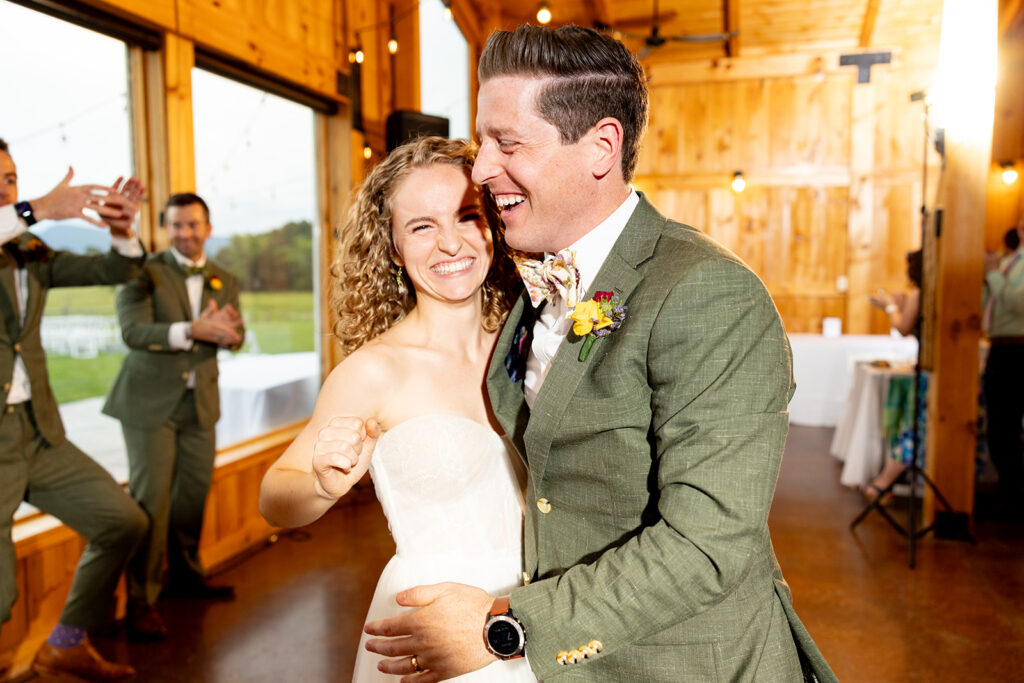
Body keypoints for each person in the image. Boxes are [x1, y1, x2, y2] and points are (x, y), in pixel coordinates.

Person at [358, 26, 837, 681]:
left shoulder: (707, 290)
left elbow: (706, 544)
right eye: (482, 142)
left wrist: (505, 627)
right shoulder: (534, 284)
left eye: (507, 142)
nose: (479, 169)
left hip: (686, 664)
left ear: (600, 147)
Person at [258, 136, 531, 682]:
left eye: (466, 216)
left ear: (493, 225)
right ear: (392, 247)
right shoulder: (374, 371)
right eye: (422, 226)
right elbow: (274, 496)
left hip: (539, 614)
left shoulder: (532, 338)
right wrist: (320, 483)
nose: (451, 244)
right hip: (430, 627)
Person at [0, 137, 149, 681]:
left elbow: (117, 271)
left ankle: (64, 643)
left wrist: (122, 232)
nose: (5, 188)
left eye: (11, 179)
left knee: (122, 521)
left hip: (38, 435)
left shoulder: (27, 251)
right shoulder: (22, 221)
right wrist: (36, 207)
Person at [102, 192, 245, 642]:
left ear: (208, 227)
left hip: (199, 403)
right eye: (176, 226)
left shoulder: (225, 277)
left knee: (191, 498)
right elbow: (131, 332)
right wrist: (190, 331)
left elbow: (233, 333)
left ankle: (186, 579)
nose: (185, 233)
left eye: (193, 225)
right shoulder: (141, 271)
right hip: (148, 405)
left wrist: (231, 336)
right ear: (167, 229)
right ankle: (143, 603)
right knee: (151, 505)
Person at [862, 249, 924, 502]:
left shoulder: (921, 293)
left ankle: (883, 483)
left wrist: (890, 306)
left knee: (913, 427)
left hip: (930, 372)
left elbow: (903, 326)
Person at [981, 217, 1024, 517]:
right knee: (998, 425)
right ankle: (1008, 489)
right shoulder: (1010, 261)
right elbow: (992, 302)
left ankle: (1014, 494)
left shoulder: (1005, 267)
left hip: (1018, 348)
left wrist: (994, 275)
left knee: (1009, 423)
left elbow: (1017, 304)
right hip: (1000, 347)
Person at [868, 249, 922, 337]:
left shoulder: (916, 294)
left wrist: (890, 305)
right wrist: (903, 305)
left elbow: (903, 328)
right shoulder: (917, 293)